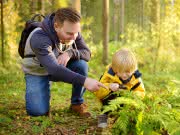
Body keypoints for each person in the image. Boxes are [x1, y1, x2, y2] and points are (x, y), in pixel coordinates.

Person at [21, 7, 107, 117]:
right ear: (56, 26)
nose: (74, 37)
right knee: (38, 112)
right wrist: (85, 81)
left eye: (76, 33)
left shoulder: (73, 32)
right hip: (38, 72)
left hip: (58, 68)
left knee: (81, 65)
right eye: (69, 33)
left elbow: (87, 53)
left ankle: (76, 103)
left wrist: (70, 53)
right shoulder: (39, 37)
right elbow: (54, 69)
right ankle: (41, 90)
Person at [93, 48, 145, 128]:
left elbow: (141, 92)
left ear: (133, 69)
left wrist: (133, 95)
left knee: (133, 106)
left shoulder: (136, 78)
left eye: (127, 72)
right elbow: (98, 91)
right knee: (110, 97)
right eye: (120, 72)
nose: (124, 75)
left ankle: (124, 119)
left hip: (127, 102)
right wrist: (109, 86)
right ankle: (104, 115)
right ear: (114, 69)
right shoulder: (109, 75)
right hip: (110, 101)